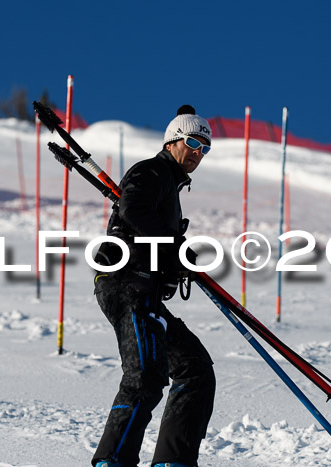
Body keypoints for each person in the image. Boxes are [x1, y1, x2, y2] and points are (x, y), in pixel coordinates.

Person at [91, 105, 215, 467]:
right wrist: (174, 247)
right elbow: (133, 211)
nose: (198, 152)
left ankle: (172, 461)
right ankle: (112, 461)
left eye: (204, 148)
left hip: (145, 292)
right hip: (126, 284)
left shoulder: (170, 185)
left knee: (194, 368)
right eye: (192, 142)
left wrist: (176, 262)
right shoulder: (151, 171)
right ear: (173, 140)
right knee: (144, 378)